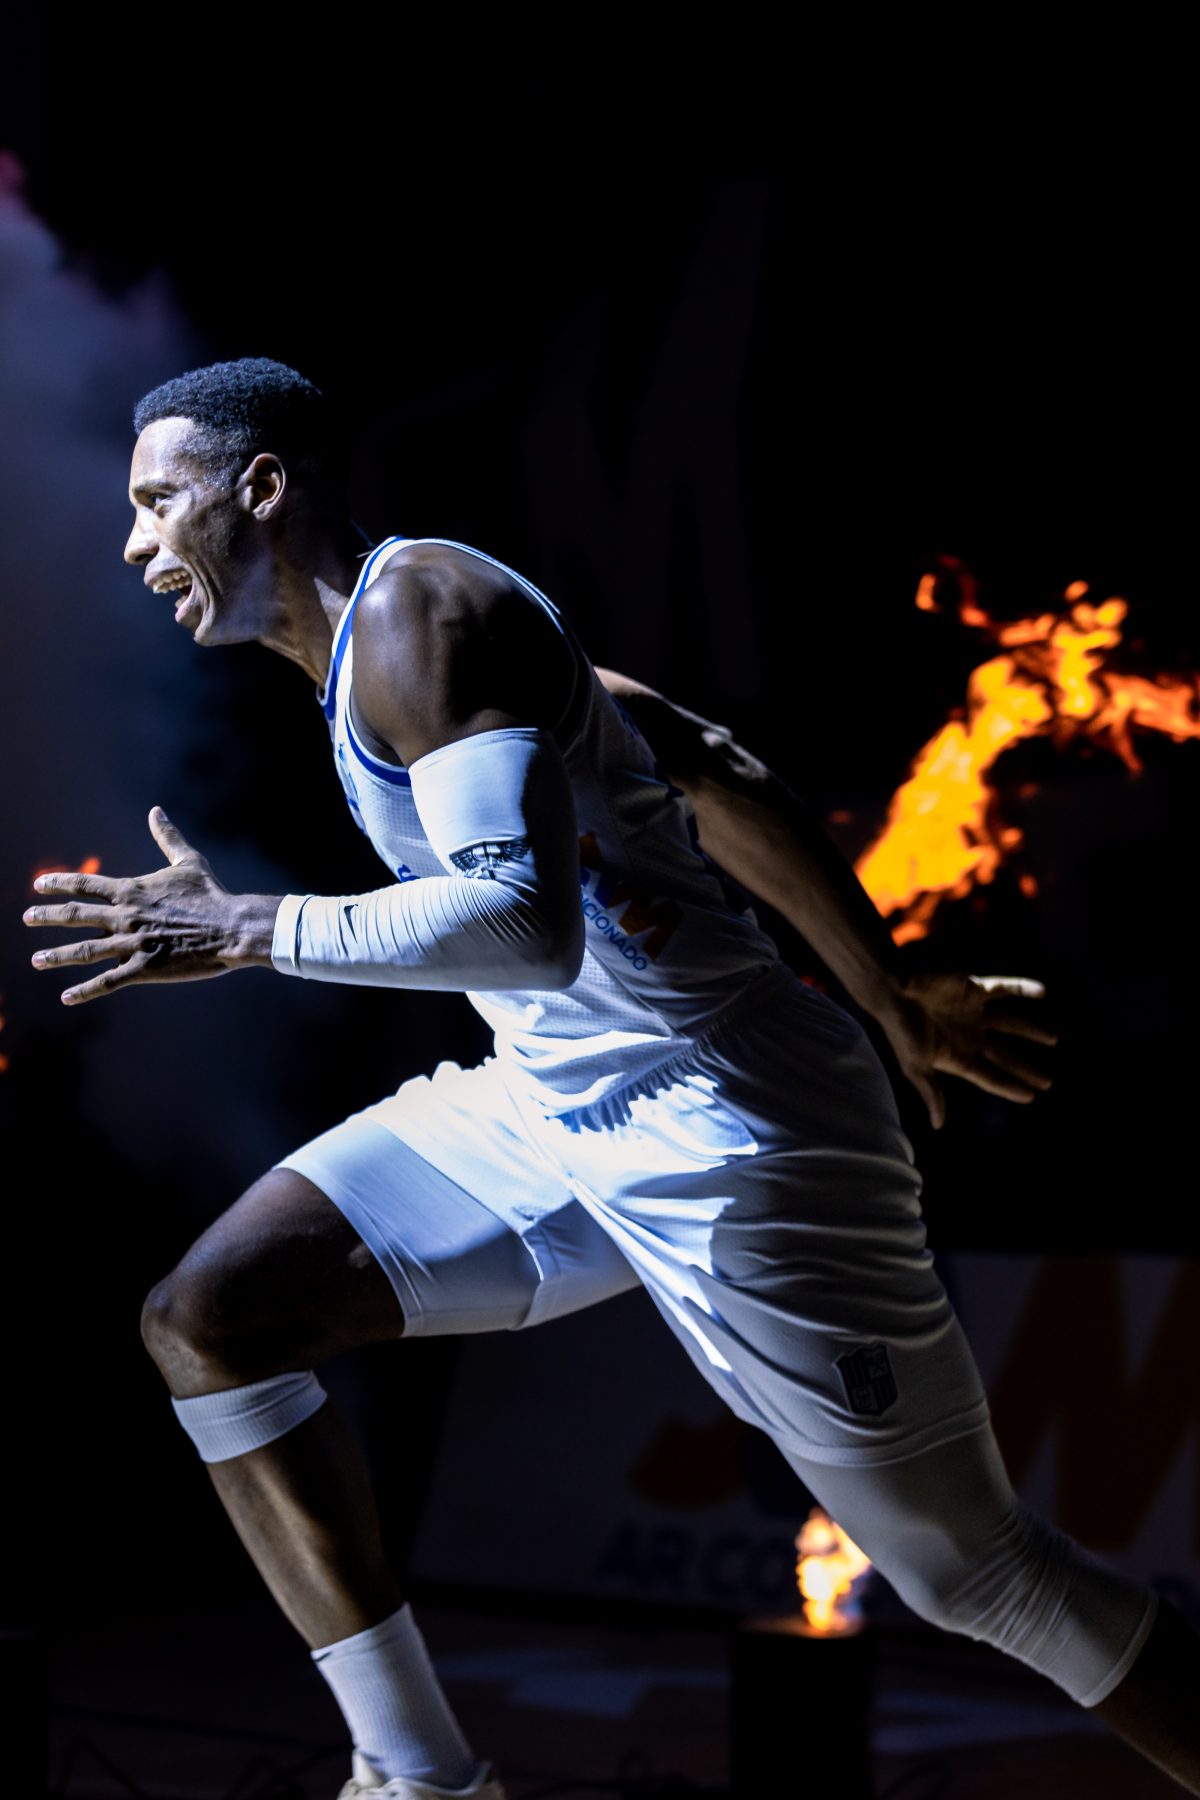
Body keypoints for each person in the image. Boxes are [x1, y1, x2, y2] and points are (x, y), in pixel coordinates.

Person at [24, 358, 1200, 1799]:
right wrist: (891, 993)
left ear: (260, 488)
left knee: (982, 1577)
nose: (135, 543)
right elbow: (708, 763)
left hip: (732, 1121)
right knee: (209, 1318)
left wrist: (247, 930)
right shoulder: (375, 652)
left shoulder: (421, 613)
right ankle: (417, 1775)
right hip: (551, 1100)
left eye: (159, 503)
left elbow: (524, 928)